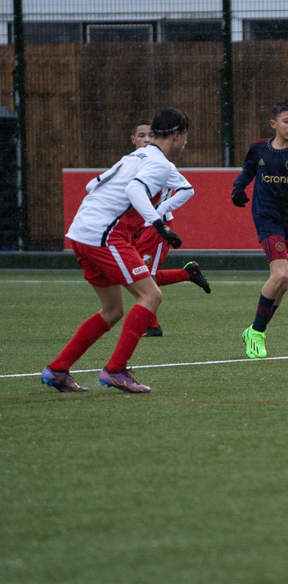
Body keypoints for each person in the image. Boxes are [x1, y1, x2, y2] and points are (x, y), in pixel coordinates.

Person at [41, 108, 190, 394]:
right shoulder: (159, 164)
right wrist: (158, 223)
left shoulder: (136, 156)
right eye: (185, 136)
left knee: (112, 310)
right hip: (105, 236)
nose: (185, 143)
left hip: (81, 231)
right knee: (151, 295)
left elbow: (92, 184)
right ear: (176, 135)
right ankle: (116, 370)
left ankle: (58, 369)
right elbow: (135, 190)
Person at [231, 101, 288, 359]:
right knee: (280, 274)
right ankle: (257, 333)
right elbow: (247, 172)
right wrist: (237, 188)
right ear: (274, 124)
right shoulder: (258, 149)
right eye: (287, 121)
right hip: (267, 217)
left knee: (283, 283)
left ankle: (254, 329)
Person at [117, 119, 211, 337]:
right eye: (141, 136)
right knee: (140, 274)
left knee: (143, 275)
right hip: (136, 227)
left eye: (151, 135)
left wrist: (161, 210)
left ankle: (152, 326)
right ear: (133, 139)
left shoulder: (164, 166)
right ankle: (188, 273)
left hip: (157, 229)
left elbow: (187, 189)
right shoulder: (130, 163)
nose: (146, 139)